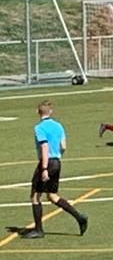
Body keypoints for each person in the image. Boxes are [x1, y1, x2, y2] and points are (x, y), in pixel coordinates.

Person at [23, 101, 88, 239]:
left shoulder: (39, 128)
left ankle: (39, 230)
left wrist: (44, 168)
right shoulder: (59, 126)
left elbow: (44, 147)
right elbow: (63, 146)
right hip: (57, 162)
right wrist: (56, 156)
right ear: (50, 112)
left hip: (46, 163)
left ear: (38, 112)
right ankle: (79, 217)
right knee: (52, 196)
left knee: (35, 196)